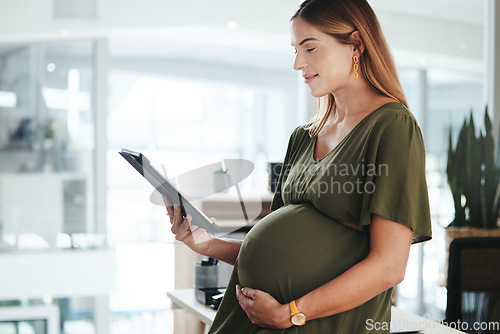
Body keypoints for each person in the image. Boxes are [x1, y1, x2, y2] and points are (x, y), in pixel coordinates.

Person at [164, 0, 432, 332]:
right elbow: (272, 246)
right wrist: (207, 243)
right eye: (295, 50)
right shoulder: (304, 137)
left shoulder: (391, 127)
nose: (297, 64)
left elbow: (389, 266)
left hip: (318, 324)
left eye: (309, 48)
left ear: (357, 45)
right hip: (252, 318)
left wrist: (293, 312)